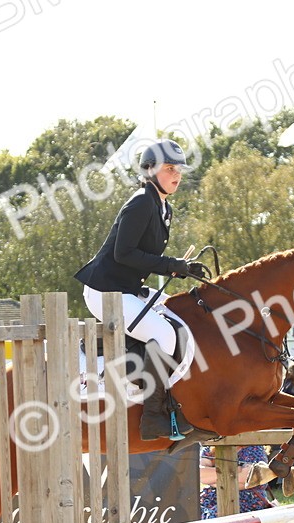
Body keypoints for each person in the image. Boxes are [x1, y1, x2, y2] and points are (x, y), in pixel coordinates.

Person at [73, 138, 206, 441]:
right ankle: (153, 416)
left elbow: (145, 259)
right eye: (169, 168)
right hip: (104, 291)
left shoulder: (163, 207)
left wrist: (182, 268)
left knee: (178, 310)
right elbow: (124, 254)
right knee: (163, 334)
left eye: (179, 170)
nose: (177, 175)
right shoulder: (141, 201)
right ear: (149, 170)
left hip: (128, 288)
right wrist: (170, 263)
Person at [198, 444, 274, 519]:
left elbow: (248, 478)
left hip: (246, 500)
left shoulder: (254, 447)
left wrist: (212, 478)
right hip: (210, 498)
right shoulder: (212, 446)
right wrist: (236, 470)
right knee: (190, 512)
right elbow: (200, 474)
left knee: (214, 518)